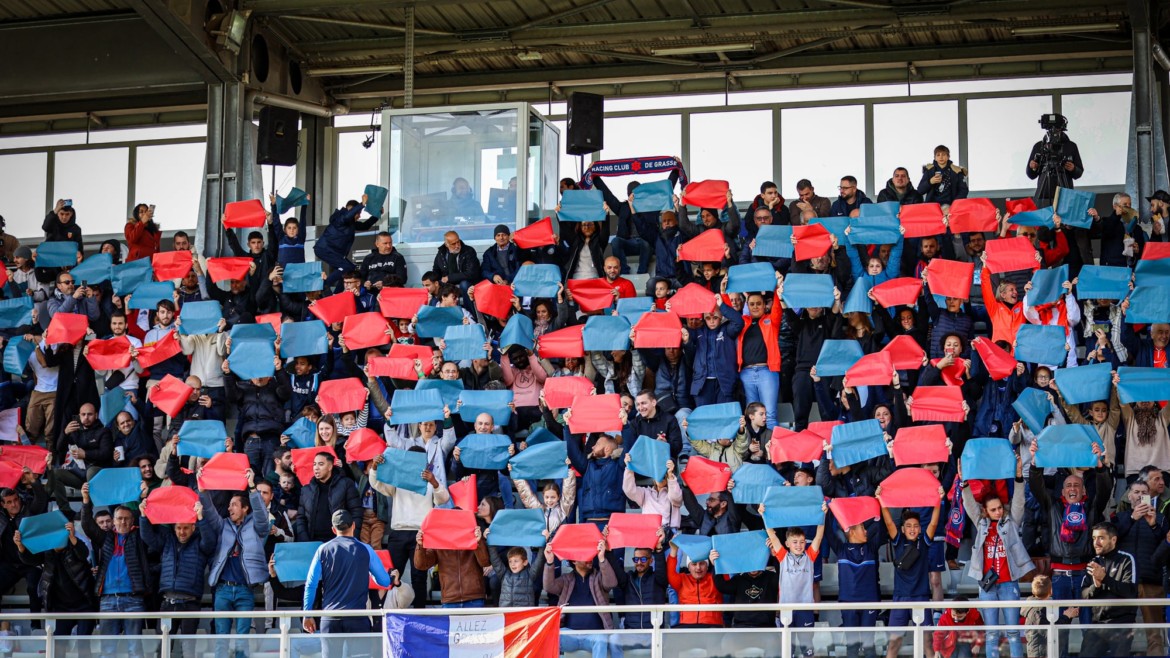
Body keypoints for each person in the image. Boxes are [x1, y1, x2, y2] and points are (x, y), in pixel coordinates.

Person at [302, 510, 396, 658]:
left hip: (330, 618)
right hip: (357, 618)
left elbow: (310, 584)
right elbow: (383, 581)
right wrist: (391, 576)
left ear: (333, 529)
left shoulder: (322, 550)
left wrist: (307, 614)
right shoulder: (366, 549)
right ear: (353, 525)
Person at [202, 476, 270, 658]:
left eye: (234, 505)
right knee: (221, 638)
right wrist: (202, 491)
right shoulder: (222, 525)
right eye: (229, 505)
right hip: (223, 589)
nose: (229, 508)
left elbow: (263, 518)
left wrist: (253, 489)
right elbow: (209, 512)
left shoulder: (256, 526)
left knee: (242, 639)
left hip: (244, 591)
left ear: (245, 508)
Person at [1079, 521, 1138, 657]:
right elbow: (1084, 595)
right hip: (1097, 624)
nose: (1096, 542)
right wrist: (1096, 586)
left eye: (1101, 538)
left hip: (1122, 625)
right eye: (1094, 538)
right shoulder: (1093, 562)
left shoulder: (1127, 559)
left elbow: (1130, 592)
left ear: (1113, 539)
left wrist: (1105, 578)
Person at [1025, 113, 1084, 202]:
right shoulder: (1039, 146)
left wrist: (1073, 168)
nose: (1053, 131)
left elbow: (1079, 173)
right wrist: (1032, 167)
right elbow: (1030, 175)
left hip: (1065, 196)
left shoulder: (1071, 146)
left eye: (1056, 128)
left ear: (1062, 128)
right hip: (1044, 195)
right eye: (1050, 128)